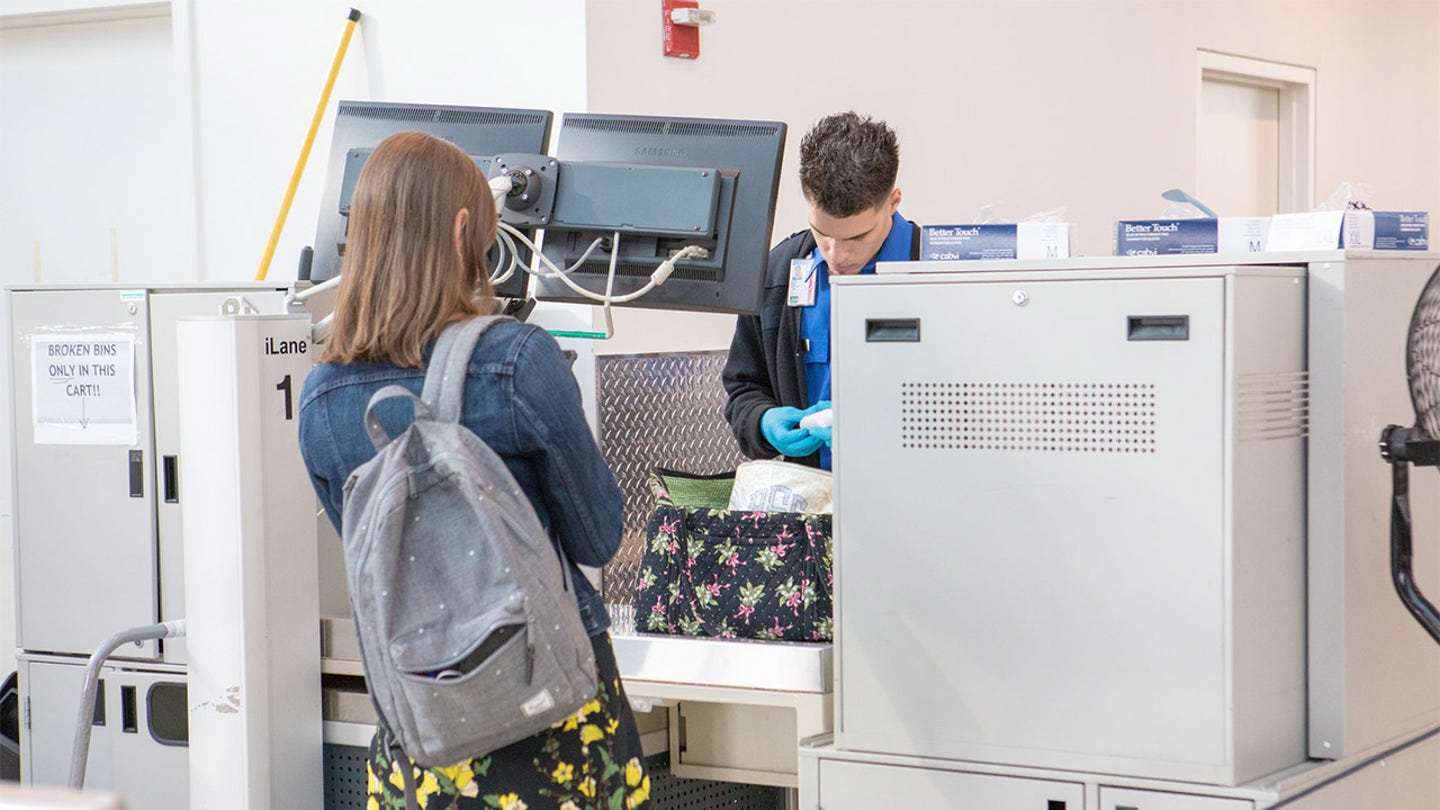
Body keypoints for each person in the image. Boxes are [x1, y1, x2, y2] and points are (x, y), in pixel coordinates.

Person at [297, 130, 651, 810]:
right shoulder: (517, 360)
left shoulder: (321, 399)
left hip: (424, 731)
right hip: (554, 723)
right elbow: (598, 537)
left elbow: (370, 548)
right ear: (465, 230)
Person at [722, 111, 920, 470]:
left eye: (857, 237)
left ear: (893, 202)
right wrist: (762, 422)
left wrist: (878, 424)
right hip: (811, 502)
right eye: (821, 232)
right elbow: (744, 388)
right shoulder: (777, 275)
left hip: (917, 496)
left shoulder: (939, 273)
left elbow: (979, 404)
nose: (837, 255)